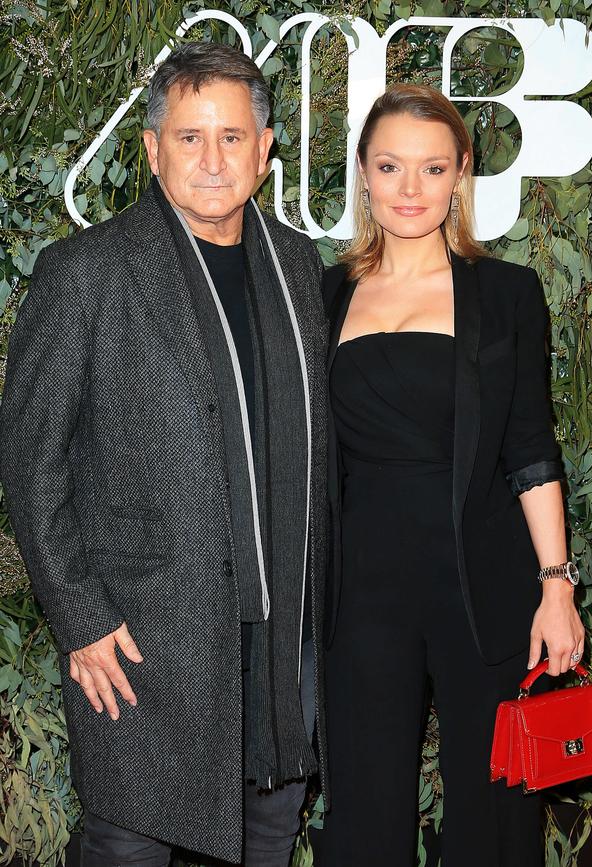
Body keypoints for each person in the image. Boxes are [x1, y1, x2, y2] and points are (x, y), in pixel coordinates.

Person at [0, 42, 329, 867]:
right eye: (189, 138)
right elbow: (31, 460)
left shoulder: (296, 264)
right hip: (143, 647)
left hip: (279, 647)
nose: (212, 160)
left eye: (230, 137)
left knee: (266, 839)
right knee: (129, 848)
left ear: (265, 149)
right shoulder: (84, 272)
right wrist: (80, 617)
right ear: (152, 149)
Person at [312, 84, 585, 867]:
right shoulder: (324, 295)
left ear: (462, 172)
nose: (410, 189)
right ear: (363, 172)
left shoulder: (505, 294)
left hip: (482, 589)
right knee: (364, 816)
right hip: (359, 595)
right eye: (391, 165)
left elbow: (531, 445)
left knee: (492, 816)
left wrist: (556, 585)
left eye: (432, 168)